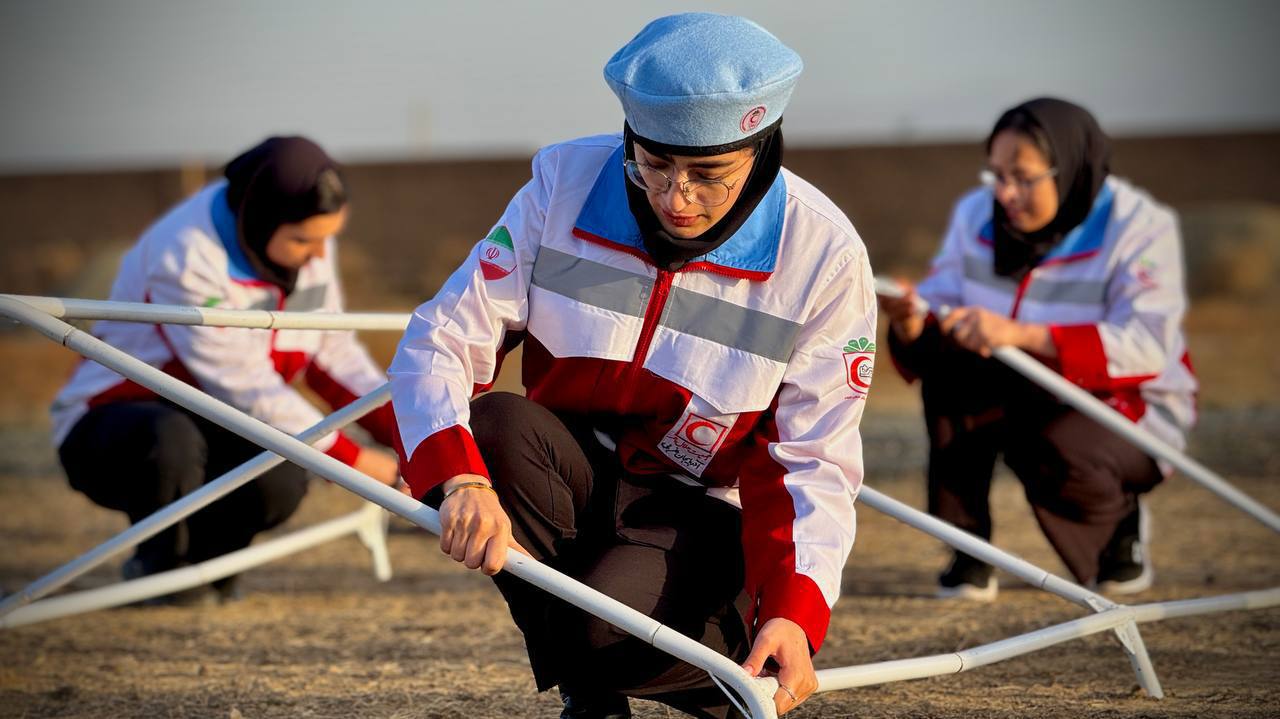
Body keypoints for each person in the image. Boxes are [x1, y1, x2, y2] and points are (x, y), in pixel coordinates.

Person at [388, 13, 876, 719]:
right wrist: (459, 478)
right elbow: (443, 336)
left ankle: (732, 673)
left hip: (703, 512)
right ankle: (591, 688)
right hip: (577, 473)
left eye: (709, 175)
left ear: (761, 147)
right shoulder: (561, 183)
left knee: (602, 630)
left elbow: (813, 458)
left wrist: (793, 611)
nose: (676, 197)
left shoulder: (824, 255)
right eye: (653, 164)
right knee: (492, 428)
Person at [52, 136, 404, 604]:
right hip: (115, 423)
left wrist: (408, 434)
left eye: (328, 238)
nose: (321, 256)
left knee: (281, 475)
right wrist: (356, 462)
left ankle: (211, 563)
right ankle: (160, 566)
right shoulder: (184, 255)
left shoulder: (304, 239)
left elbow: (330, 353)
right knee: (173, 440)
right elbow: (248, 387)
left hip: (220, 418)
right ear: (258, 221)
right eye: (305, 240)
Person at [881, 98, 1197, 601]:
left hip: (1124, 405)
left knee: (1055, 446)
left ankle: (1119, 528)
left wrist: (1021, 334)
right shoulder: (975, 213)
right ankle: (968, 545)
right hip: (1017, 382)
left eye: (1024, 178)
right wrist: (911, 318)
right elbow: (942, 296)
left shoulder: (1139, 227)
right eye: (997, 174)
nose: (1005, 193)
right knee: (950, 376)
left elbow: (1146, 347)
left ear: (1069, 167)